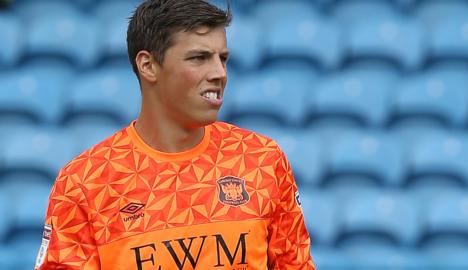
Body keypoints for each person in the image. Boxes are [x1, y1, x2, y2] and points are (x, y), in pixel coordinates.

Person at [34, 0, 315, 269]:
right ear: (148, 65)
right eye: (199, 58)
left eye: (223, 58)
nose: (220, 73)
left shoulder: (262, 159)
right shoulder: (84, 182)